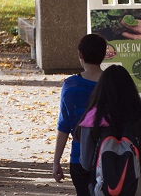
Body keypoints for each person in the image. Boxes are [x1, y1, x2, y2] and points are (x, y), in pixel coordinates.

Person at [53, 33, 106, 195]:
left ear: (80, 55)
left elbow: (63, 126)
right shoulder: (112, 84)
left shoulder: (71, 86)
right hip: (110, 156)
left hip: (80, 157)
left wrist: (56, 161)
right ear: (104, 55)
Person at [75, 64, 141, 190]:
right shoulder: (137, 115)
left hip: (103, 186)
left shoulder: (93, 119)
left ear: (101, 88)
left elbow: (86, 163)